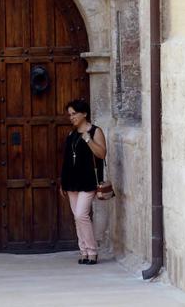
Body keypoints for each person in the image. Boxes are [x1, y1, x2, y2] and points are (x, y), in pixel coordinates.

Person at [60, 98, 107, 265]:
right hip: (71, 181)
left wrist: (88, 139)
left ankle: (92, 251)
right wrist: (62, 183)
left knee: (81, 215)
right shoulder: (71, 134)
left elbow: (101, 154)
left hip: (88, 181)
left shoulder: (95, 131)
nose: (71, 117)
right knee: (77, 217)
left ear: (84, 114)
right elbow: (66, 160)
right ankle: (84, 251)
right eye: (70, 114)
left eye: (74, 114)